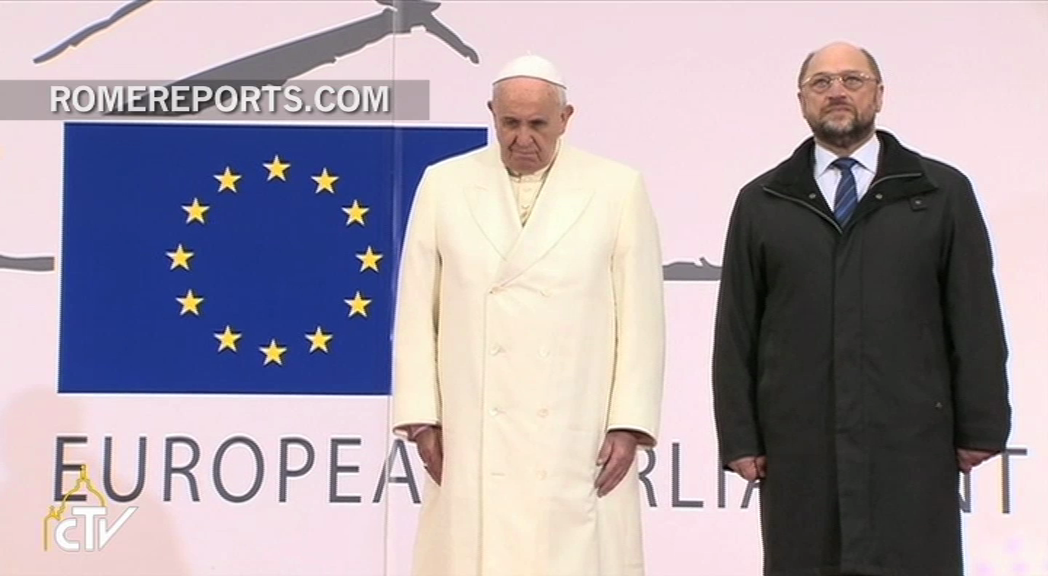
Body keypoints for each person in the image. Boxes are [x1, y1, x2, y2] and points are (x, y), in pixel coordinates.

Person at [711, 41, 1012, 576]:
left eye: (852, 80)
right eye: (821, 83)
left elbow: (975, 317)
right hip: (799, 444)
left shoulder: (940, 192)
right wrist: (740, 436)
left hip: (912, 441)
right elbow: (737, 329)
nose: (837, 92)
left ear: (879, 94)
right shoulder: (763, 201)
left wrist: (982, 426)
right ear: (801, 101)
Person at [390, 53, 666, 576]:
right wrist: (422, 418)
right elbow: (417, 311)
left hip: (576, 427)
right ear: (492, 115)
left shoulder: (617, 188)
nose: (522, 139)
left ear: (565, 119)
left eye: (537, 124)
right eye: (510, 123)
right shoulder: (443, 184)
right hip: (472, 428)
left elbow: (642, 320)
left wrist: (629, 424)